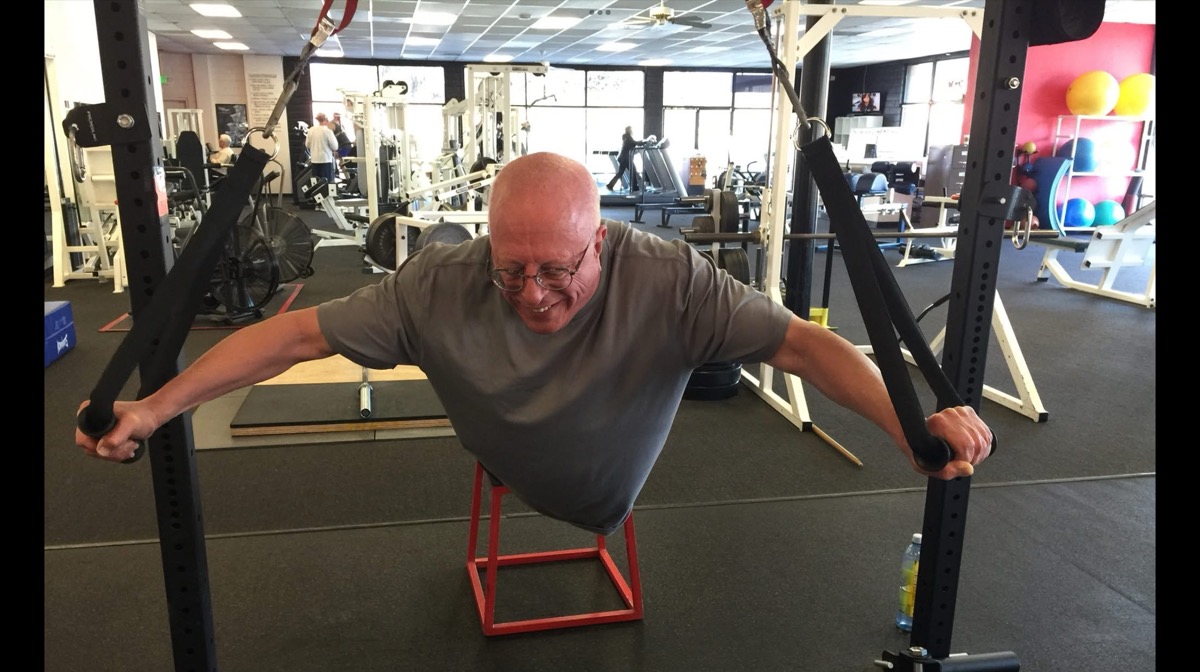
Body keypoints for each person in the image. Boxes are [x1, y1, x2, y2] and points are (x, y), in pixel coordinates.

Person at [76, 152, 993, 537]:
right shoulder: (440, 282)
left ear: (602, 241)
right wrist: (155, 408)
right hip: (511, 463)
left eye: (557, 270)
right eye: (511, 270)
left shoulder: (668, 278)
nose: (533, 293)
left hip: (612, 485)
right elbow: (291, 337)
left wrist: (909, 428)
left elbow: (802, 347)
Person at [304, 112, 340, 185]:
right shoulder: (327, 131)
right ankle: (326, 196)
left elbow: (307, 145)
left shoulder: (311, 130)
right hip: (325, 160)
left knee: (315, 183)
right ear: (326, 120)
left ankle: (316, 196)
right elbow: (335, 146)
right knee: (326, 183)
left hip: (314, 160)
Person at [606, 126, 641, 193]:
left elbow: (633, 143)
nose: (632, 131)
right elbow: (635, 143)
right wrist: (645, 142)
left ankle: (610, 185)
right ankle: (635, 188)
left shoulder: (626, 137)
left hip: (623, 158)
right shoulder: (628, 138)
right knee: (633, 171)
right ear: (629, 130)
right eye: (631, 130)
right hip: (626, 159)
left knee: (621, 173)